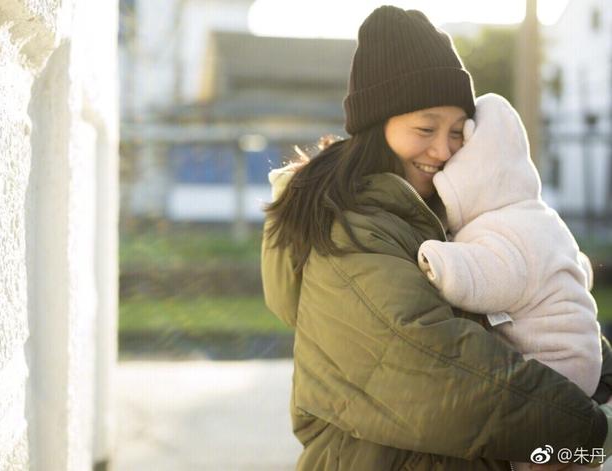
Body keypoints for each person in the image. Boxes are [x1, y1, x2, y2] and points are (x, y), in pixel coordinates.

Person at [261, 5, 612, 470]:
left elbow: (522, 313)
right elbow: (435, 367)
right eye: (425, 129)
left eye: (456, 132)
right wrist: (587, 429)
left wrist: (592, 362)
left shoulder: (430, 214)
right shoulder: (347, 227)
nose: (442, 150)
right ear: (376, 126)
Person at [416, 93, 602, 471]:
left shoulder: (502, 228)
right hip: (580, 360)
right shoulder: (540, 216)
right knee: (567, 457)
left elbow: (489, 275)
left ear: (474, 175)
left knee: (533, 454)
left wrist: (438, 258)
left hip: (551, 367)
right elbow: (578, 265)